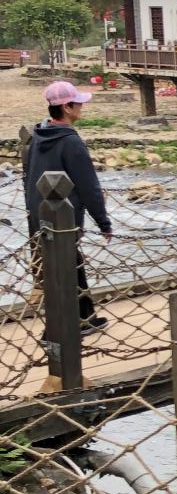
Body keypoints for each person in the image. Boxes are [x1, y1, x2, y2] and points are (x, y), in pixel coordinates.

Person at [23, 79, 113, 336]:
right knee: (67, 269)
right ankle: (59, 331)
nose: (81, 107)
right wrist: (103, 222)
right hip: (65, 216)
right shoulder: (71, 142)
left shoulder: (38, 137)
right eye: (78, 103)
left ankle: (85, 318)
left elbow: (30, 180)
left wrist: (34, 218)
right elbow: (88, 186)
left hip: (41, 215)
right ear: (67, 107)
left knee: (67, 267)